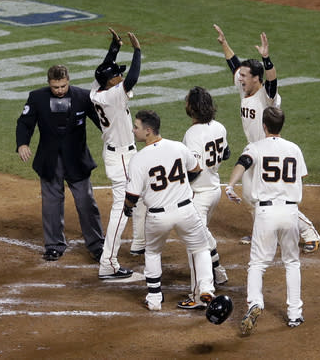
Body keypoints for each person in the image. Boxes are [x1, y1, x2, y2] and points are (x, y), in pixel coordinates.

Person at [213, 24, 320, 253]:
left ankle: (309, 232)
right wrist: (224, 43)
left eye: (244, 76)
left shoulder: (267, 94)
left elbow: (272, 80)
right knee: (252, 197)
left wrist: (266, 58)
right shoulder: (245, 86)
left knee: (274, 198)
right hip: (255, 148)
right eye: (240, 75)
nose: (239, 78)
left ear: (256, 78)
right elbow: (233, 64)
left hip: (271, 150)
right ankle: (262, 232)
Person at [124, 109, 215, 311]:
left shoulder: (138, 159)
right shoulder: (178, 147)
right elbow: (196, 169)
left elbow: (132, 196)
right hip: (186, 211)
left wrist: (127, 208)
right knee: (201, 249)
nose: (133, 130)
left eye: (136, 127)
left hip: (158, 216)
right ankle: (206, 289)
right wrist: (178, 188)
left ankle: (155, 299)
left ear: (148, 131)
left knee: (153, 252)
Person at [225, 106, 306, 335]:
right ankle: (294, 314)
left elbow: (243, 162)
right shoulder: (294, 149)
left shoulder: (255, 147)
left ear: (263, 126)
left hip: (266, 213)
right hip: (290, 212)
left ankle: (255, 304)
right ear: (282, 125)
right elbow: (301, 176)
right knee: (292, 262)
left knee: (258, 264)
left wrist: (230, 185)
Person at [16, 64, 105, 261]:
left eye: (63, 86)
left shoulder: (83, 97)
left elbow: (101, 120)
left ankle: (97, 244)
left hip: (77, 159)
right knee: (51, 203)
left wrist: (112, 138)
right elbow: (24, 122)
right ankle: (54, 245)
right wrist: (22, 143)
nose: (59, 90)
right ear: (49, 83)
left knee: (85, 201)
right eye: (56, 87)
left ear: (68, 81)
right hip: (49, 159)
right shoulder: (37, 97)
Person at [90, 27, 147, 279]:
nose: (121, 77)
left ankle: (140, 241)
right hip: (122, 158)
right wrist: (137, 51)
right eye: (117, 76)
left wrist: (115, 47)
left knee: (142, 198)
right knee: (122, 208)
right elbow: (132, 78)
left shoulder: (98, 89)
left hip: (119, 154)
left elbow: (104, 68)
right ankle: (108, 263)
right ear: (112, 81)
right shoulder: (113, 95)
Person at [177, 86, 230, 310]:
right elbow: (226, 153)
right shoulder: (219, 127)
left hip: (199, 195)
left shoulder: (193, 134)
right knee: (202, 234)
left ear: (193, 108)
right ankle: (218, 270)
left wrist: (177, 185)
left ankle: (199, 294)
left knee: (194, 246)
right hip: (214, 190)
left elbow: (195, 169)